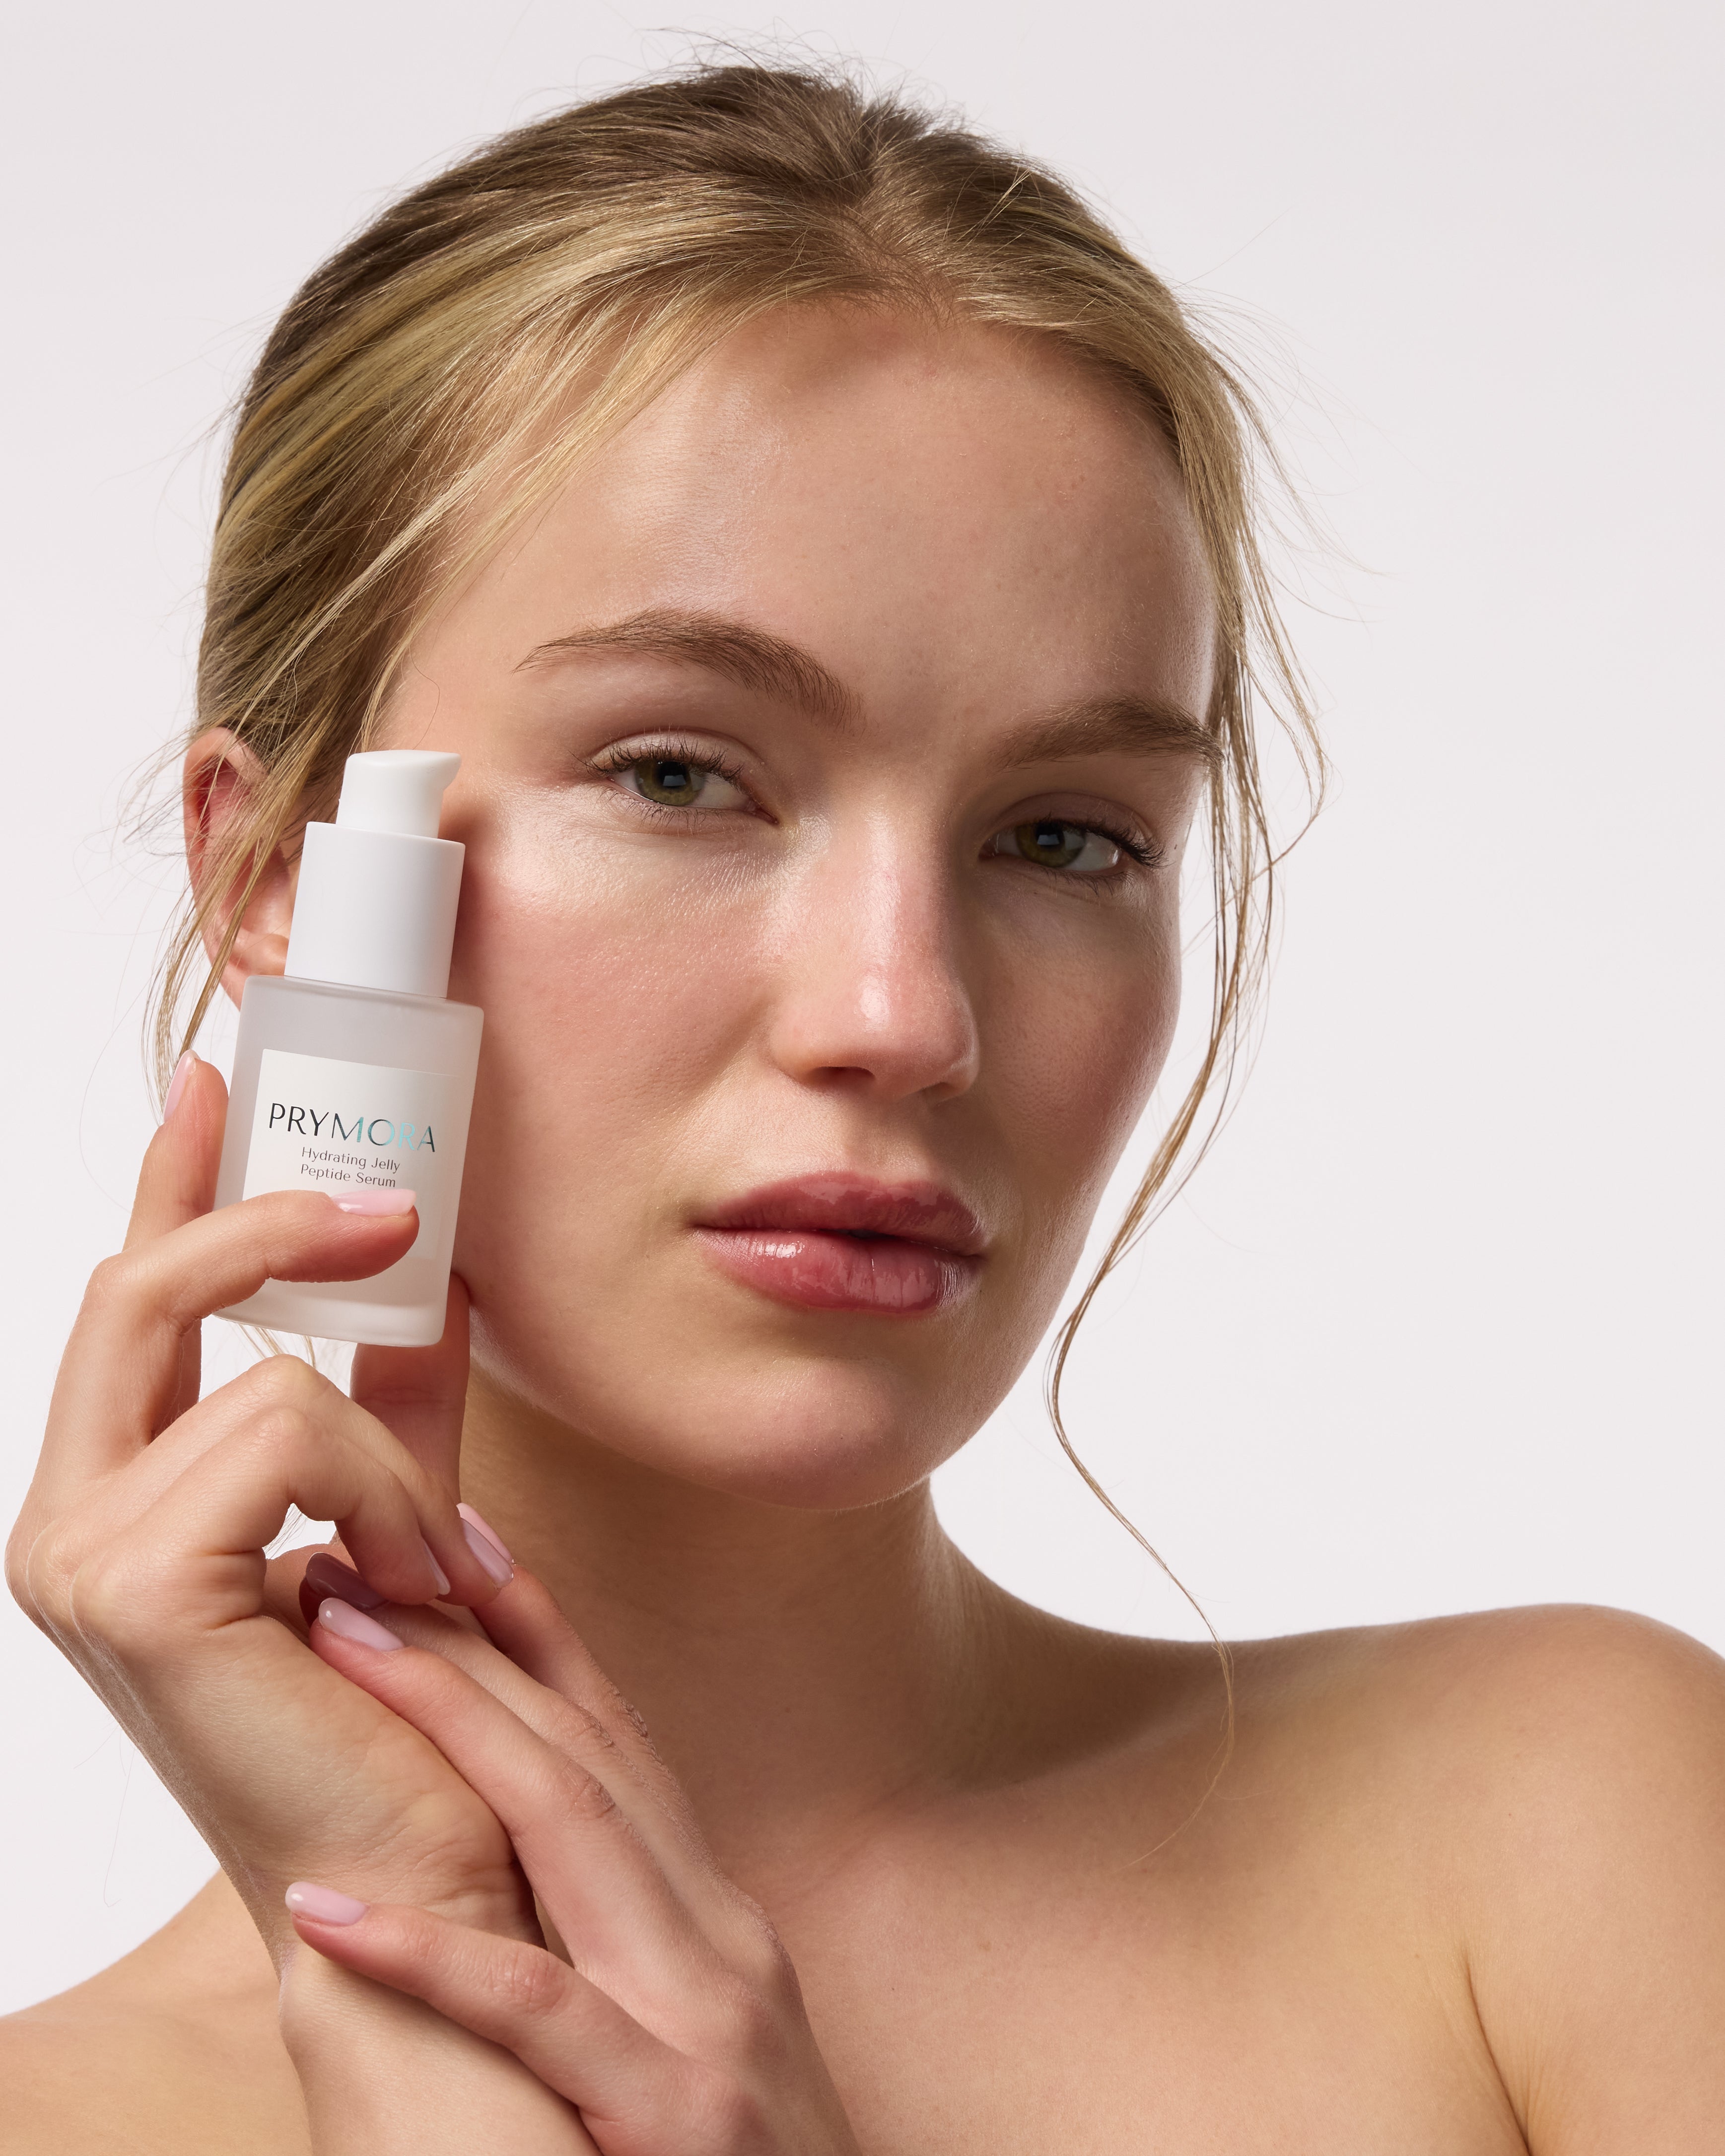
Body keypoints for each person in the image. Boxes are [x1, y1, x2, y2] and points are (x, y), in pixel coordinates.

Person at [5, 62, 1722, 2156]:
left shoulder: (1573, 1842)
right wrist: (426, 1945)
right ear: (282, 877)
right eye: (679, 776)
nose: (904, 1018)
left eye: (1067, 837)